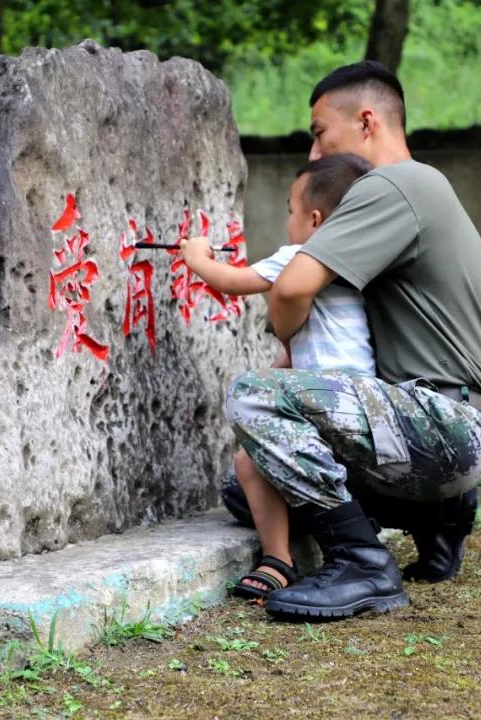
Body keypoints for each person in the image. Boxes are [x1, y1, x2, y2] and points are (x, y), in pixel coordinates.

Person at [217, 60, 481, 621]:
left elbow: (292, 288)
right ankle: (435, 517)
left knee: (254, 396)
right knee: (250, 485)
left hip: (441, 424)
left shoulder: (390, 185)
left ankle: (361, 563)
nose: (315, 154)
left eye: (319, 133)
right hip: (455, 424)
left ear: (366, 121)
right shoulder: (420, 187)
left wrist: (288, 334)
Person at [180, 153, 375, 601]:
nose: (288, 221)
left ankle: (277, 560)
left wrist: (197, 259)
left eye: (290, 210)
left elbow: (233, 281)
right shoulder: (356, 266)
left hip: (327, 399)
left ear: (315, 220)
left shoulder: (301, 256)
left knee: (249, 462)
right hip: (363, 401)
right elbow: (317, 344)